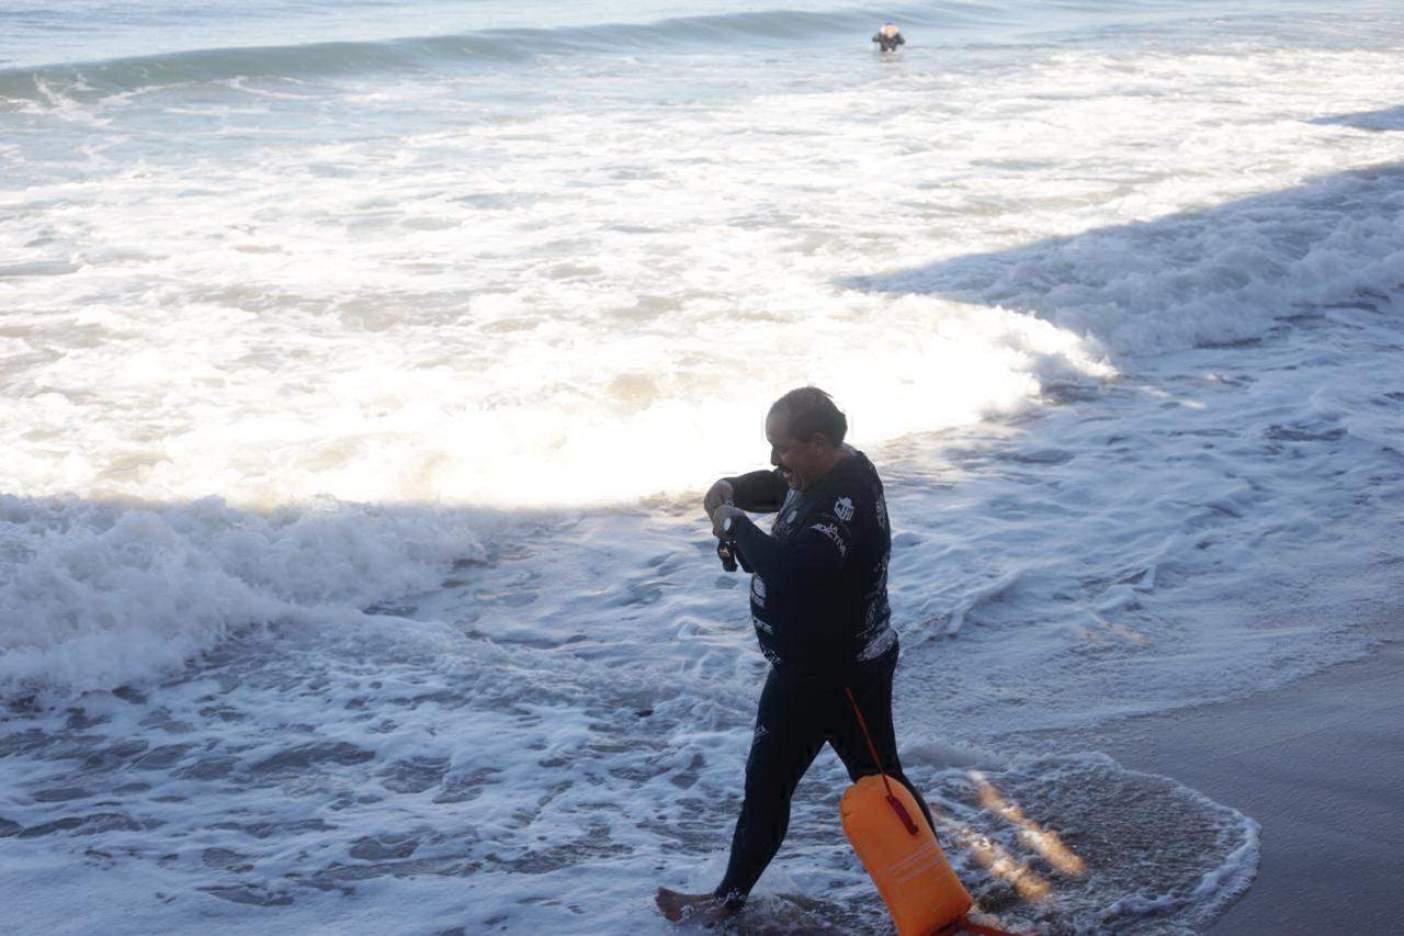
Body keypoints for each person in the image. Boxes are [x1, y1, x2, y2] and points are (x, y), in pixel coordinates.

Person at [656, 387, 935, 925]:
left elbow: (794, 569)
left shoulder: (843, 501)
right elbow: (777, 485)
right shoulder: (823, 471)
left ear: (819, 444)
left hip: (841, 673)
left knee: (878, 784)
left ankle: (935, 899)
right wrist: (733, 490)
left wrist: (734, 525)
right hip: (809, 668)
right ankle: (728, 899)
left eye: (782, 448)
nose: (775, 459)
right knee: (777, 784)